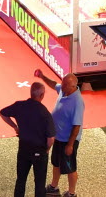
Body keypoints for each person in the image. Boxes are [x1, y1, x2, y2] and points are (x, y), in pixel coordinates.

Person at [0, 81, 54, 197]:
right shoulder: (45, 113)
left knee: (21, 179)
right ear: (42, 95)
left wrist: (15, 127)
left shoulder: (20, 105)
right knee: (39, 183)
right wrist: (47, 149)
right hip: (39, 151)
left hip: (23, 149)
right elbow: (50, 139)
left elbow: (3, 113)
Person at [38, 68, 84, 197]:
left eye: (65, 84)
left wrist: (70, 145)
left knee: (70, 167)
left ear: (73, 86)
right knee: (56, 163)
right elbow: (54, 84)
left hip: (67, 140)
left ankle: (71, 193)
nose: (61, 86)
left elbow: (76, 126)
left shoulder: (77, 102)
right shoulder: (64, 90)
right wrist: (42, 76)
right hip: (58, 137)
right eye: (62, 83)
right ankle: (54, 187)